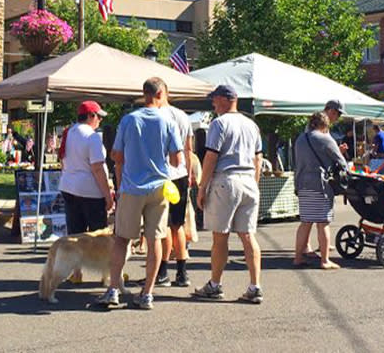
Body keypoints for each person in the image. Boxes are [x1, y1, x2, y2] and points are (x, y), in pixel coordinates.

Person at [96, 78, 183, 310]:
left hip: (132, 187)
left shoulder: (129, 120)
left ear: (144, 94)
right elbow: (177, 160)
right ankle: (147, 294)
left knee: (122, 239)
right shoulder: (169, 121)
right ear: (161, 93)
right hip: (159, 187)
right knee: (155, 240)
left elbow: (116, 155)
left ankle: (113, 289)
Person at [193, 84, 264, 305]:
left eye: (215, 99)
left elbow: (211, 156)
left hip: (226, 180)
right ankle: (255, 286)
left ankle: (215, 284)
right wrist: (254, 183)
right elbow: (258, 158)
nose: (213, 103)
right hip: (249, 180)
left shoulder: (219, 123)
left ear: (225, 99)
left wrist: (202, 187)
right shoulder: (251, 125)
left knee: (220, 236)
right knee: (248, 235)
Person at [293, 108, 349, 270]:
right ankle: (325, 260)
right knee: (323, 222)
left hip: (302, 184)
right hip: (320, 185)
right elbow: (341, 162)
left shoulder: (300, 139)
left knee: (305, 222)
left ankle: (298, 258)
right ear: (325, 124)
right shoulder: (325, 138)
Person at [59, 101, 113, 237]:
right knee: (98, 236)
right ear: (90, 116)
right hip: (90, 191)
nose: (100, 120)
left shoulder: (69, 132)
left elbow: (62, 161)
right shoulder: (92, 136)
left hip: (69, 186)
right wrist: (108, 196)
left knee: (75, 235)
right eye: (99, 117)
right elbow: (97, 168)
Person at [157, 98, 194, 288]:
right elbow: (189, 149)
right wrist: (189, 172)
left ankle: (162, 271)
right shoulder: (183, 116)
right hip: (180, 173)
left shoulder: (156, 114)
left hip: (162, 174)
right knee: (178, 225)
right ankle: (182, 272)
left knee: (162, 225)